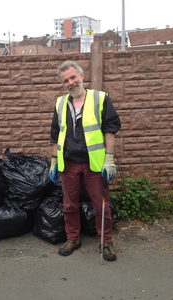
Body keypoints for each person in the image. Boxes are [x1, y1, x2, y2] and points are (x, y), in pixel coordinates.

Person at [49, 60, 121, 261]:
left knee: (101, 205)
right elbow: (55, 135)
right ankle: (73, 238)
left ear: (81, 76)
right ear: (63, 84)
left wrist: (109, 159)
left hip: (95, 164)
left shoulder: (100, 99)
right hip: (68, 163)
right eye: (66, 81)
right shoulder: (60, 103)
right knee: (69, 205)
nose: (71, 82)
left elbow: (110, 130)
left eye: (73, 77)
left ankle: (105, 242)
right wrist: (54, 160)